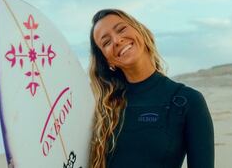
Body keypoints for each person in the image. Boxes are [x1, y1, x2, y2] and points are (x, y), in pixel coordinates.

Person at [88, 9, 214, 168]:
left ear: (140, 31)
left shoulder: (188, 101)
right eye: (106, 42)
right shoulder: (102, 109)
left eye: (121, 29)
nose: (117, 40)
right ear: (107, 61)